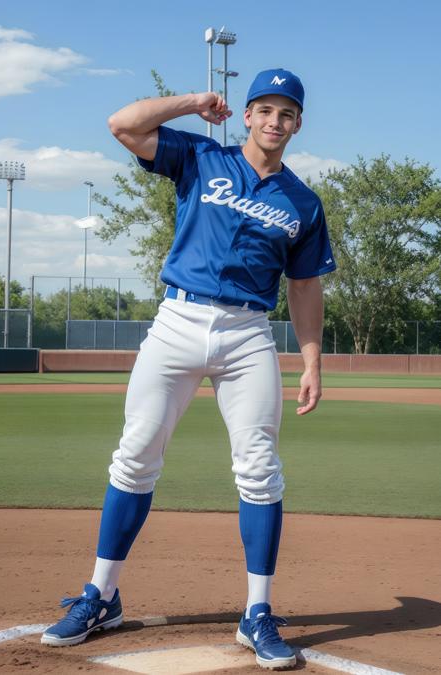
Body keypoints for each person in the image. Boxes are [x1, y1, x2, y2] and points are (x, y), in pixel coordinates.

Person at [42, 68, 336, 670]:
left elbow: (305, 287)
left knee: (259, 469)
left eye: (287, 114)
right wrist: (192, 102)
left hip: (248, 333)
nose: (275, 122)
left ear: (297, 125)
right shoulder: (201, 156)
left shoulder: (302, 202)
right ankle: (101, 595)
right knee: (136, 454)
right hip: (176, 324)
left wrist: (311, 360)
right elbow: (122, 125)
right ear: (248, 115)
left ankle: (257, 612)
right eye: (265, 110)